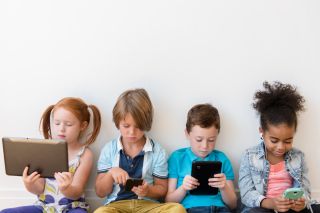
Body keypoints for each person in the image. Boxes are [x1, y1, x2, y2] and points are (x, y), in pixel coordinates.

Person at [1, 97, 102, 213]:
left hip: (72, 208)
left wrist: (66, 188)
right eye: (57, 123)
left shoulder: (85, 154)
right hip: (44, 207)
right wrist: (29, 183)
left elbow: (76, 193)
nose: (61, 129)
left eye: (68, 124)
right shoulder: (44, 149)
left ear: (83, 126)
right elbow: (40, 188)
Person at [94, 88, 186, 213]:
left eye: (138, 127)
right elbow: (100, 192)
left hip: (148, 205)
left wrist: (149, 191)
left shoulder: (157, 151)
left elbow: (162, 189)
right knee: (100, 212)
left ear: (146, 123)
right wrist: (110, 174)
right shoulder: (109, 149)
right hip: (117, 206)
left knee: (177, 209)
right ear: (117, 122)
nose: (132, 132)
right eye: (126, 126)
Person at [238, 81, 320, 213]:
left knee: (315, 207)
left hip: (290, 208)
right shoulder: (249, 156)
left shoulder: (298, 157)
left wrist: (301, 202)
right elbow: (246, 194)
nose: (281, 147)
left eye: (288, 141)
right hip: (264, 207)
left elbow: (305, 189)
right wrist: (270, 203)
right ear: (262, 132)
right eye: (274, 140)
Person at [165, 103, 237, 213]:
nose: (204, 146)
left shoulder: (222, 158)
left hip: (220, 209)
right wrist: (183, 188)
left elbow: (233, 205)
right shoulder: (177, 158)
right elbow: (168, 202)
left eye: (211, 140)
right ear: (187, 134)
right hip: (191, 209)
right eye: (198, 139)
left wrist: (224, 187)